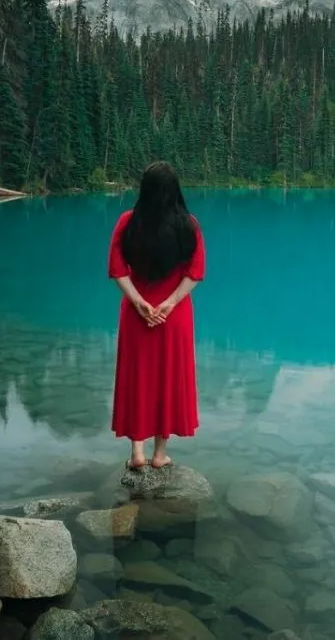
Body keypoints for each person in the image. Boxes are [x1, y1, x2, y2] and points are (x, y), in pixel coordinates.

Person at [108, 161, 206, 469]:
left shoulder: (128, 222)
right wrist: (170, 303)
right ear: (175, 189)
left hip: (137, 315)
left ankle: (136, 453)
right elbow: (195, 272)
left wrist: (138, 302)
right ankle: (159, 455)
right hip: (173, 316)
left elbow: (117, 268)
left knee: (138, 377)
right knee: (168, 378)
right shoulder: (189, 224)